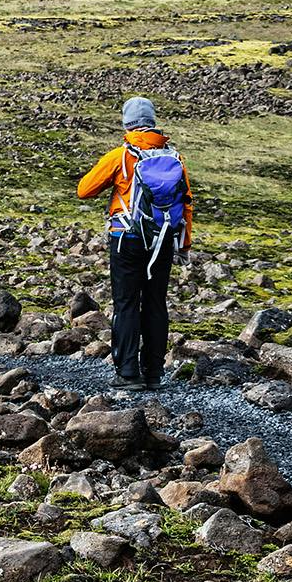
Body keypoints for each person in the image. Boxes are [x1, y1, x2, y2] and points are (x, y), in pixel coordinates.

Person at [78, 96, 193, 392]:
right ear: (153, 122)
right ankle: (154, 373)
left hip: (126, 238)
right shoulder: (174, 158)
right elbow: (186, 203)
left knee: (127, 303)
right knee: (155, 303)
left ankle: (128, 373)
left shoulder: (121, 156)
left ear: (127, 124)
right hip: (164, 240)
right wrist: (184, 244)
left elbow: (84, 190)